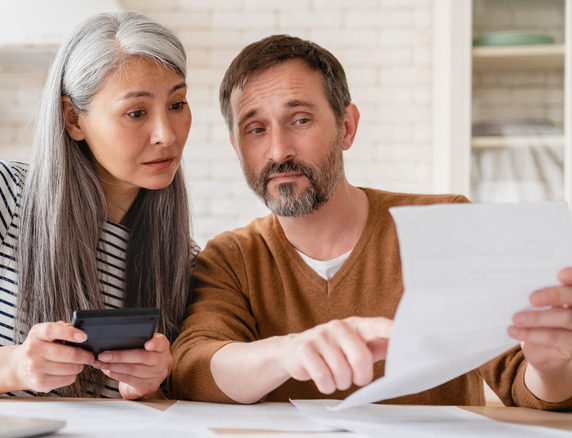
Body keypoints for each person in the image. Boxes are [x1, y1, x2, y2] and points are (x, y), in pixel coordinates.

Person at [168, 34, 572, 410]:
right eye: (255, 130)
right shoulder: (231, 257)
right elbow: (193, 366)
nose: (278, 150)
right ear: (237, 147)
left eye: (301, 120)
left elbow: (521, 378)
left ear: (346, 127)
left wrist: (551, 365)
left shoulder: (444, 225)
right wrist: (289, 351)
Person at [0, 11, 194, 400]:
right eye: (136, 112)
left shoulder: (181, 259)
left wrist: (151, 388)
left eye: (177, 104)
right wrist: (16, 366)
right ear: (73, 119)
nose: (166, 135)